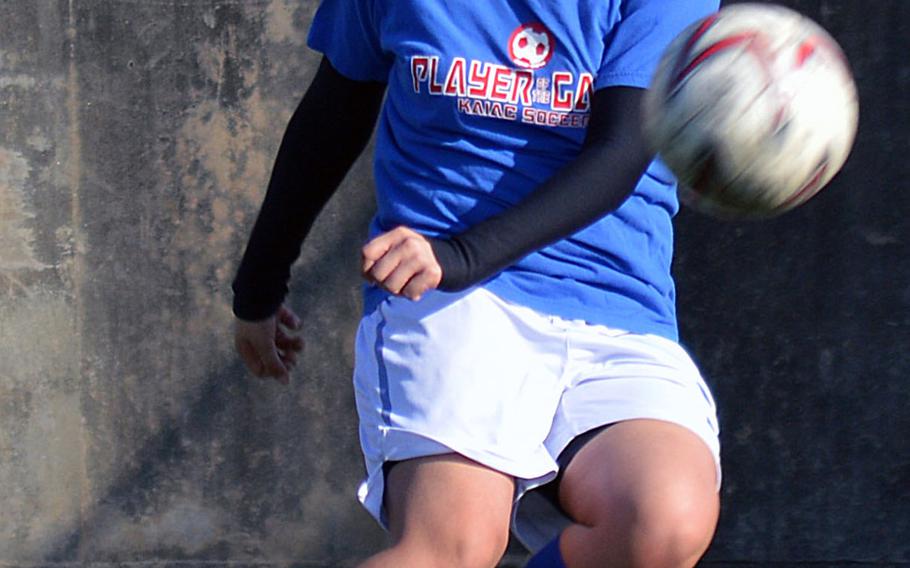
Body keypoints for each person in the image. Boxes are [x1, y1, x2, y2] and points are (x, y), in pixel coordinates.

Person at [232, 1, 722, 566]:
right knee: (451, 549)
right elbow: (332, 115)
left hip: (616, 309)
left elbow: (618, 155)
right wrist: (258, 288)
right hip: (450, 303)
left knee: (663, 523)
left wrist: (461, 254)